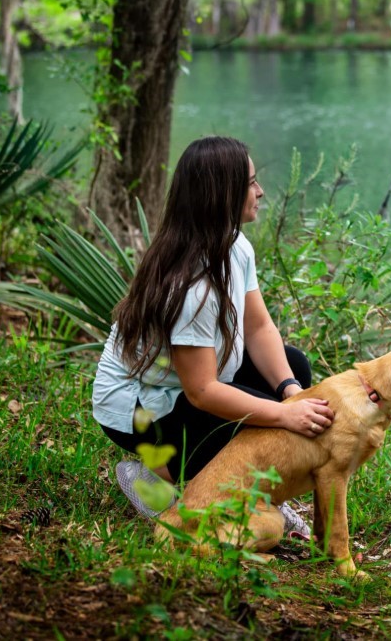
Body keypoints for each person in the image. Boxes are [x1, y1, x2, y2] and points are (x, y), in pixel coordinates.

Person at [92, 136, 334, 533]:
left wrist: (290, 390)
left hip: (183, 390)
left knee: (293, 365)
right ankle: (154, 476)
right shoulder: (193, 288)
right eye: (251, 183)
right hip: (139, 410)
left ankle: (256, 493)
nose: (260, 192)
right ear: (222, 195)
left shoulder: (234, 246)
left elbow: (258, 327)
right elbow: (202, 392)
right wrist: (283, 414)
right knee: (262, 417)